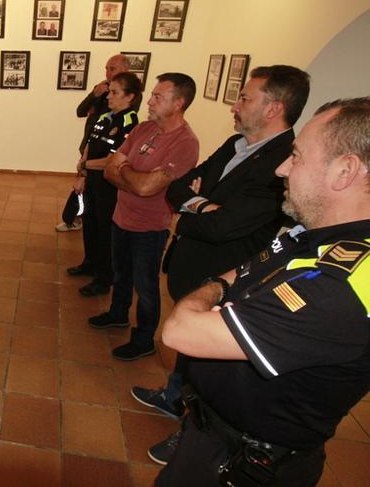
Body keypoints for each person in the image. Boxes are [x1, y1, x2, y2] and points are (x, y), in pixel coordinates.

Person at [157, 97, 370, 487]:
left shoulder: (346, 285)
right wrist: (220, 290)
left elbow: (180, 332)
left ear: (345, 171)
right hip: (213, 437)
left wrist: (208, 294)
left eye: (296, 157)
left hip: (245, 466)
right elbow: (241, 274)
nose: (281, 168)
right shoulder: (318, 237)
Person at [129, 66, 312, 457]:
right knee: (190, 352)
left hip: (223, 277)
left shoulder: (280, 163)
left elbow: (223, 227)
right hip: (191, 264)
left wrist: (197, 207)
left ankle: (191, 433)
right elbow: (178, 188)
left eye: (245, 98)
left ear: (272, 108)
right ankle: (173, 396)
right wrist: (202, 204)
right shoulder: (234, 145)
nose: (235, 104)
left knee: (210, 364)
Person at [94, 73, 199, 361]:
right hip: (121, 217)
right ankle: (117, 314)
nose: (149, 101)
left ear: (178, 103)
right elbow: (109, 168)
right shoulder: (144, 129)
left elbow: (145, 188)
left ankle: (143, 340)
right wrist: (133, 175)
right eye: (152, 95)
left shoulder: (185, 143)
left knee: (147, 287)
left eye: (157, 97)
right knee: (121, 273)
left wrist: (126, 171)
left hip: (150, 228)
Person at [71, 72, 143, 297]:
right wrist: (82, 172)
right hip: (92, 180)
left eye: (114, 93)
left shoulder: (131, 123)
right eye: (109, 91)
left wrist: (87, 164)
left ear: (130, 97)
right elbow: (90, 145)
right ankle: (90, 263)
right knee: (90, 225)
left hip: (110, 187)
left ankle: (104, 278)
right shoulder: (105, 117)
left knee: (105, 233)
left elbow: (116, 160)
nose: (108, 96)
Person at [60, 55, 128, 235]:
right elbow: (80, 111)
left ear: (124, 69)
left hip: (106, 151)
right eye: (106, 68)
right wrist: (94, 94)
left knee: (88, 188)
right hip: (89, 145)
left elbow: (116, 120)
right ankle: (75, 218)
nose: (108, 72)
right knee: (81, 185)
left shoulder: (129, 93)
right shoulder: (101, 88)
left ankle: (75, 218)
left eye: (112, 68)